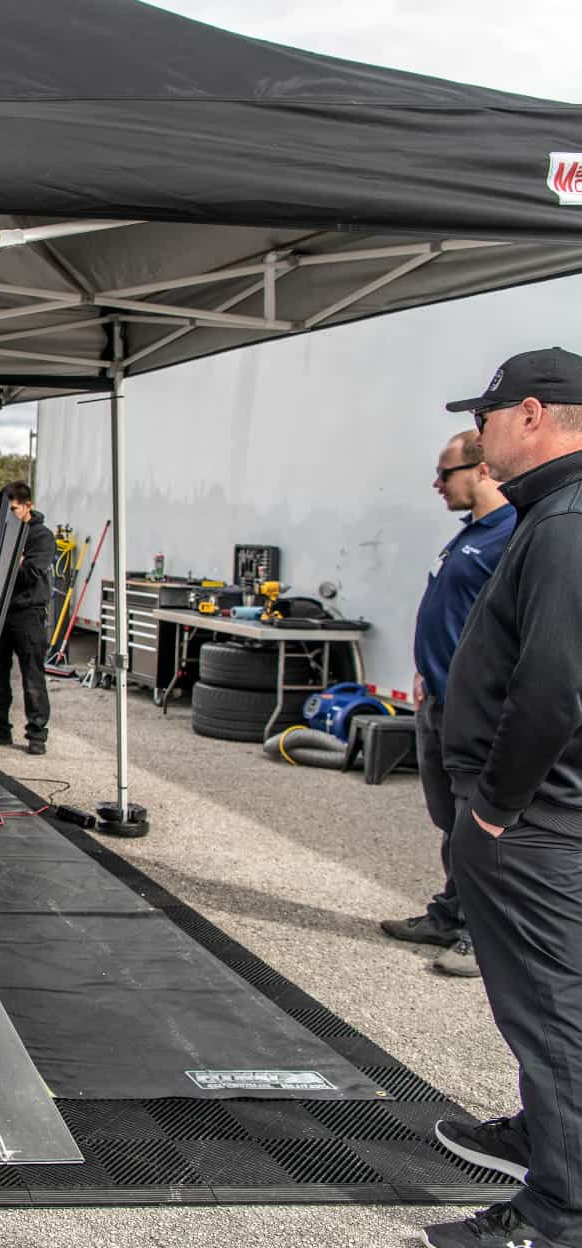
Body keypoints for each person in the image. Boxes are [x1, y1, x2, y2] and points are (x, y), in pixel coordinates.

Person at [424, 346, 582, 1248]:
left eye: (484, 419)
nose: (477, 439)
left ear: (530, 413)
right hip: (540, 816)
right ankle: (545, 1136)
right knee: (539, 1006)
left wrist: (494, 807)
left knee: (552, 1011)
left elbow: (554, 685)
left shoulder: (563, 521)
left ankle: (559, 1214)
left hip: (533, 822)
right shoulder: (548, 513)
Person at [381, 430, 515, 979]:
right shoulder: (469, 536)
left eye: (446, 472)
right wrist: (424, 668)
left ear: (482, 471)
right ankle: (450, 913)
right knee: (450, 820)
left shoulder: (511, 535)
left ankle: (484, 938)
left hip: (476, 711)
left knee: (479, 826)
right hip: (438, 699)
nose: (437, 484)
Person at [0, 482, 56, 757]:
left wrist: (14, 564)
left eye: (14, 509)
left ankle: (37, 734)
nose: (10, 514)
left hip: (28, 614)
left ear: (27, 506)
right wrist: (14, 561)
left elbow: (30, 573)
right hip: (0, 613)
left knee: (33, 675)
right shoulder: (2, 532)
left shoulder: (41, 536)